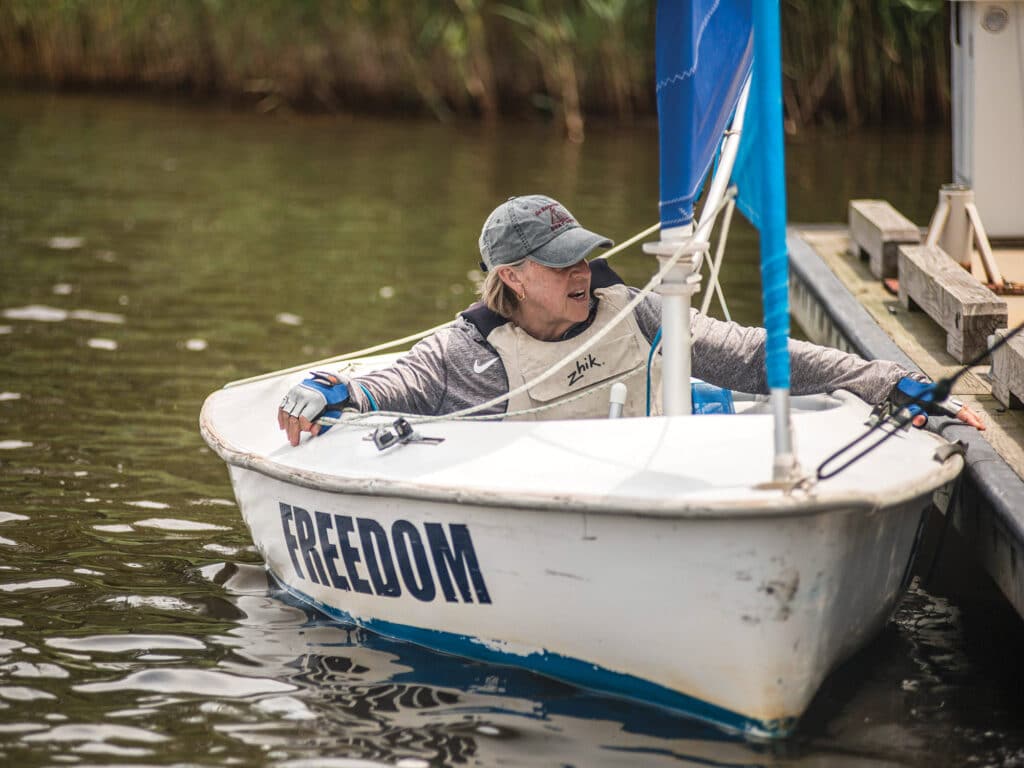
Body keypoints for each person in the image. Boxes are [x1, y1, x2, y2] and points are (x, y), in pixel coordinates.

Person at [278, 194, 984, 445]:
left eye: (584, 256)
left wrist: (885, 380)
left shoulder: (639, 315)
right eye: (560, 265)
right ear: (512, 278)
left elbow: (753, 355)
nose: (582, 272)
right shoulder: (462, 354)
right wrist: (335, 390)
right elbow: (392, 385)